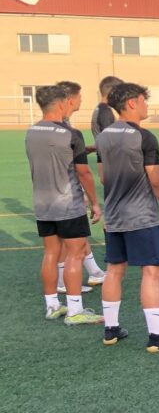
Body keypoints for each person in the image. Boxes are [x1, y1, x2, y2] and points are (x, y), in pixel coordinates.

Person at [95, 82, 159, 351]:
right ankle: (157, 337)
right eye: (144, 101)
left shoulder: (103, 137)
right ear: (133, 103)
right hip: (140, 217)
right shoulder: (144, 137)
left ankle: (111, 329)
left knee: (114, 270)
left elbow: (103, 177)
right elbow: (157, 180)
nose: (147, 105)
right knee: (152, 272)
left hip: (114, 216)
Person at [25, 85, 104, 325]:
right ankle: (75, 310)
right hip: (68, 203)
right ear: (62, 104)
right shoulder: (71, 134)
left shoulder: (31, 131)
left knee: (51, 253)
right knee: (75, 253)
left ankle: (52, 306)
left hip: (42, 203)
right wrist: (94, 202)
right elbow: (84, 173)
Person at [55, 80, 107, 293]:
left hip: (53, 192)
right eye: (79, 96)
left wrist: (85, 149)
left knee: (69, 240)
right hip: (67, 192)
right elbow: (82, 170)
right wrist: (93, 199)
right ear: (69, 100)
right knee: (71, 242)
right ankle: (69, 294)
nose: (81, 100)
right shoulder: (67, 129)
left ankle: (94, 272)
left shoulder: (56, 126)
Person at [90, 75, 122, 177]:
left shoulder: (100, 109)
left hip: (104, 158)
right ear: (112, 91)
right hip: (110, 161)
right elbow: (110, 139)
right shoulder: (105, 112)